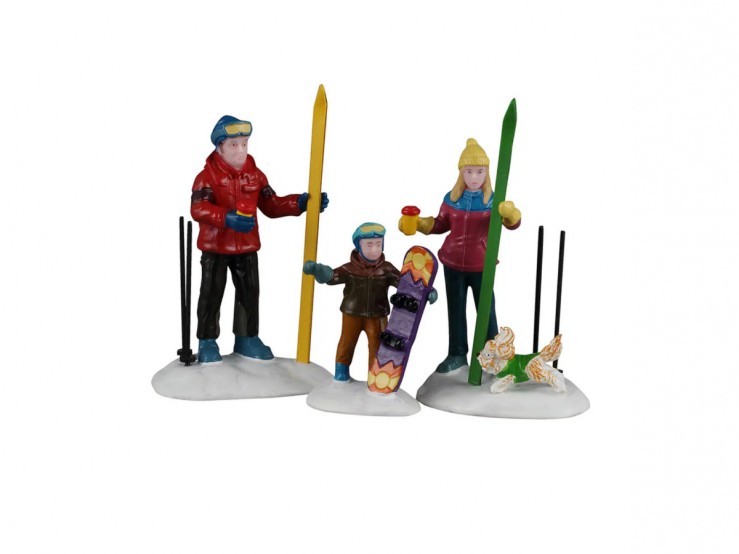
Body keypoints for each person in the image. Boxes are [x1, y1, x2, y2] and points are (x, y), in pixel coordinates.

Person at [191, 115, 328, 363]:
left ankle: (247, 337)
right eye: (234, 144)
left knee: (249, 293)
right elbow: (198, 209)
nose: (240, 150)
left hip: (246, 245)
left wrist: (300, 203)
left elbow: (271, 204)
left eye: (244, 143)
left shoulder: (255, 176)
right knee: (211, 294)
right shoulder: (206, 177)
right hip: (216, 247)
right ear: (219, 146)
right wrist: (225, 218)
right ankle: (207, 340)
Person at [399, 138, 521, 373]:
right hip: (452, 262)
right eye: (469, 171)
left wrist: (511, 213)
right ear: (461, 173)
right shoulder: (452, 198)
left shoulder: (494, 201)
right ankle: (456, 353)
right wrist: (417, 223)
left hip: (482, 263)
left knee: (486, 309)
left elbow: (512, 224)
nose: (474, 177)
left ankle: (493, 354)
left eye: (479, 171)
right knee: (455, 310)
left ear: (487, 173)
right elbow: (439, 224)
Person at [303, 223, 400, 381]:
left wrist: (425, 290)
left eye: (378, 244)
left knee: (378, 345)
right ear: (358, 246)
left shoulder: (387, 269)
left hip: (377, 315)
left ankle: (376, 376)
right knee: (347, 342)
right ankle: (341, 370)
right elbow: (333, 276)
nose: (374, 249)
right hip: (351, 313)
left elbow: (404, 282)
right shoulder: (349, 268)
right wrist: (319, 270)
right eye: (369, 245)